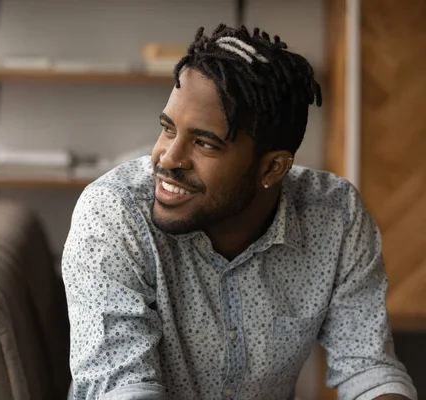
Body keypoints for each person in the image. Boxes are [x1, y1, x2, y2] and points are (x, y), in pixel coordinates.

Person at [62, 24, 417, 400]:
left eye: (204, 143)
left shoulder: (335, 216)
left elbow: (368, 366)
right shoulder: (113, 213)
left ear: (272, 169)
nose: (167, 158)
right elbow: (123, 388)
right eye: (168, 129)